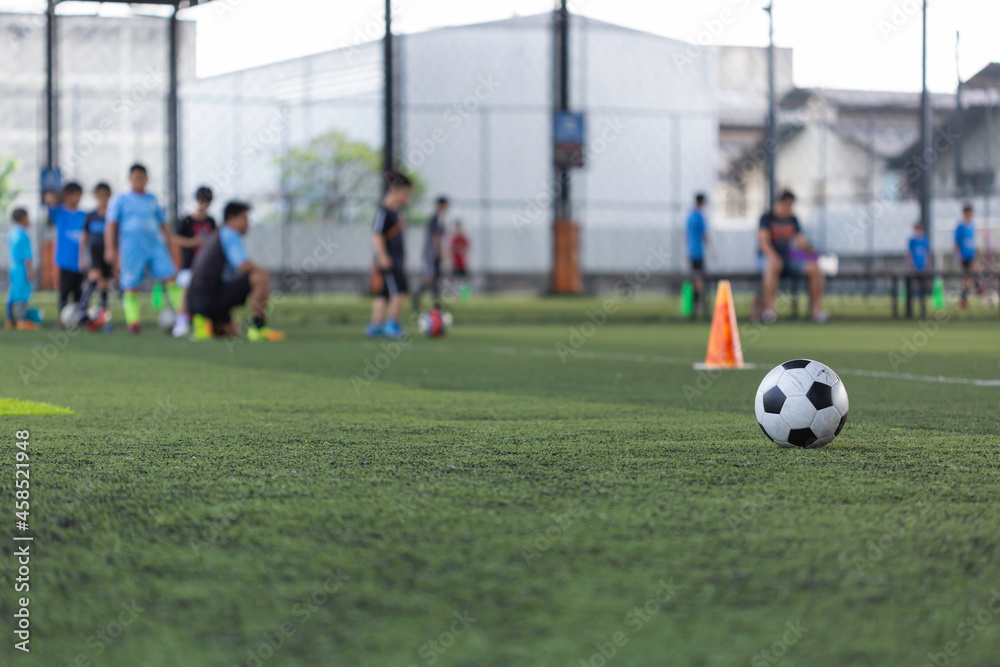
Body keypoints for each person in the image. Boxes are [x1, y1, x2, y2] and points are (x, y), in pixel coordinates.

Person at [187, 201, 283, 341]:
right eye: (245, 218)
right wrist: (263, 271)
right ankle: (259, 328)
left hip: (198, 301)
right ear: (232, 218)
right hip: (211, 297)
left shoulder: (216, 235)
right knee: (260, 276)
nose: (248, 224)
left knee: (229, 332)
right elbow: (243, 265)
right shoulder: (230, 234)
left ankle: (209, 324)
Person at [104, 164, 183, 334]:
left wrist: (172, 244)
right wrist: (110, 248)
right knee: (131, 284)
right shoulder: (120, 200)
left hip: (155, 245)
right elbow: (111, 225)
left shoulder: (152, 200)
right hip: (131, 247)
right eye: (136, 177)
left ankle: (183, 316)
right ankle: (133, 322)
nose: (139, 181)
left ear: (147, 179)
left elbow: (163, 225)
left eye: (142, 178)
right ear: (129, 179)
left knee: (170, 276)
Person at [758, 190, 826, 323]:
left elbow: (800, 243)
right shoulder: (766, 218)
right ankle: (769, 311)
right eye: (787, 205)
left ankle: (816, 311)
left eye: (791, 205)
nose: (789, 208)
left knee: (815, 268)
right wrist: (774, 257)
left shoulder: (793, 219)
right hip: (769, 258)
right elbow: (763, 243)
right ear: (779, 203)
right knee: (772, 265)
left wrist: (808, 249)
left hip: (788, 258)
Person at [367, 170, 413, 339]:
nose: (407, 198)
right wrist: (382, 255)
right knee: (399, 291)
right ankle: (392, 323)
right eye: (406, 194)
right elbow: (377, 234)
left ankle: (375, 325)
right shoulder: (384, 212)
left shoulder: (397, 212)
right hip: (389, 260)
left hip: (396, 259)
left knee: (384, 293)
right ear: (394, 190)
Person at [171, 186, 217, 338]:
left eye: (207, 201)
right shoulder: (186, 221)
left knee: (206, 292)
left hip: (206, 267)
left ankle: (203, 324)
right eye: (201, 200)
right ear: (196, 200)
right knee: (185, 290)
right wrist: (193, 242)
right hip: (189, 265)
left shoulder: (211, 221)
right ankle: (182, 322)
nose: (203, 204)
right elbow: (175, 239)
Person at [44, 182, 86, 322]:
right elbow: (49, 200)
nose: (78, 198)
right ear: (68, 196)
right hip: (65, 261)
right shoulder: (60, 212)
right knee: (65, 291)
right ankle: (63, 319)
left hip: (80, 261)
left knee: (78, 292)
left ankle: (78, 318)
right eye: (75, 195)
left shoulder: (83, 215)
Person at [77, 182, 113, 329]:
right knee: (93, 278)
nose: (103, 198)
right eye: (100, 195)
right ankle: (82, 310)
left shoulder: (112, 215)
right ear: (96, 196)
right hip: (95, 253)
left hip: (108, 253)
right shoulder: (91, 216)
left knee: (104, 284)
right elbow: (84, 238)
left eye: (105, 195)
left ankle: (103, 313)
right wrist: (81, 257)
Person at [412, 196, 448, 311]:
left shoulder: (440, 219)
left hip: (433, 254)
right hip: (431, 254)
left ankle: (437, 305)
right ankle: (416, 297)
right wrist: (439, 251)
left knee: (435, 280)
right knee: (429, 278)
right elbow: (435, 237)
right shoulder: (434, 219)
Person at [5, 209, 37, 331]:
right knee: (22, 295)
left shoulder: (12, 232)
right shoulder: (23, 234)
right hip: (22, 268)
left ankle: (10, 320)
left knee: (12, 293)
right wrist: (30, 271)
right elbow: (26, 256)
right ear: (23, 218)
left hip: (13, 267)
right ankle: (22, 321)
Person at [685, 193, 712, 318]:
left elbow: (685, 234)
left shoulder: (690, 216)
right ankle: (702, 305)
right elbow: (704, 234)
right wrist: (712, 249)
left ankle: (694, 306)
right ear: (701, 201)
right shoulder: (699, 216)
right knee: (699, 280)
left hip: (691, 252)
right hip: (698, 253)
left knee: (694, 279)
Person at [954, 203, 977, 309]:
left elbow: (972, 242)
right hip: (964, 257)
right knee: (966, 278)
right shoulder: (960, 226)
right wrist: (958, 256)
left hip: (971, 256)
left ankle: (963, 300)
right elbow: (955, 243)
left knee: (968, 278)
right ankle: (963, 301)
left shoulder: (972, 226)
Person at [908, 221, 930, 299]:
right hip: (915, 265)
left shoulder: (925, 240)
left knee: (923, 281)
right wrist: (911, 264)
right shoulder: (912, 241)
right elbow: (910, 254)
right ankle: (916, 296)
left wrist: (927, 264)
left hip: (923, 265)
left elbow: (927, 253)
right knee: (916, 281)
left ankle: (923, 296)